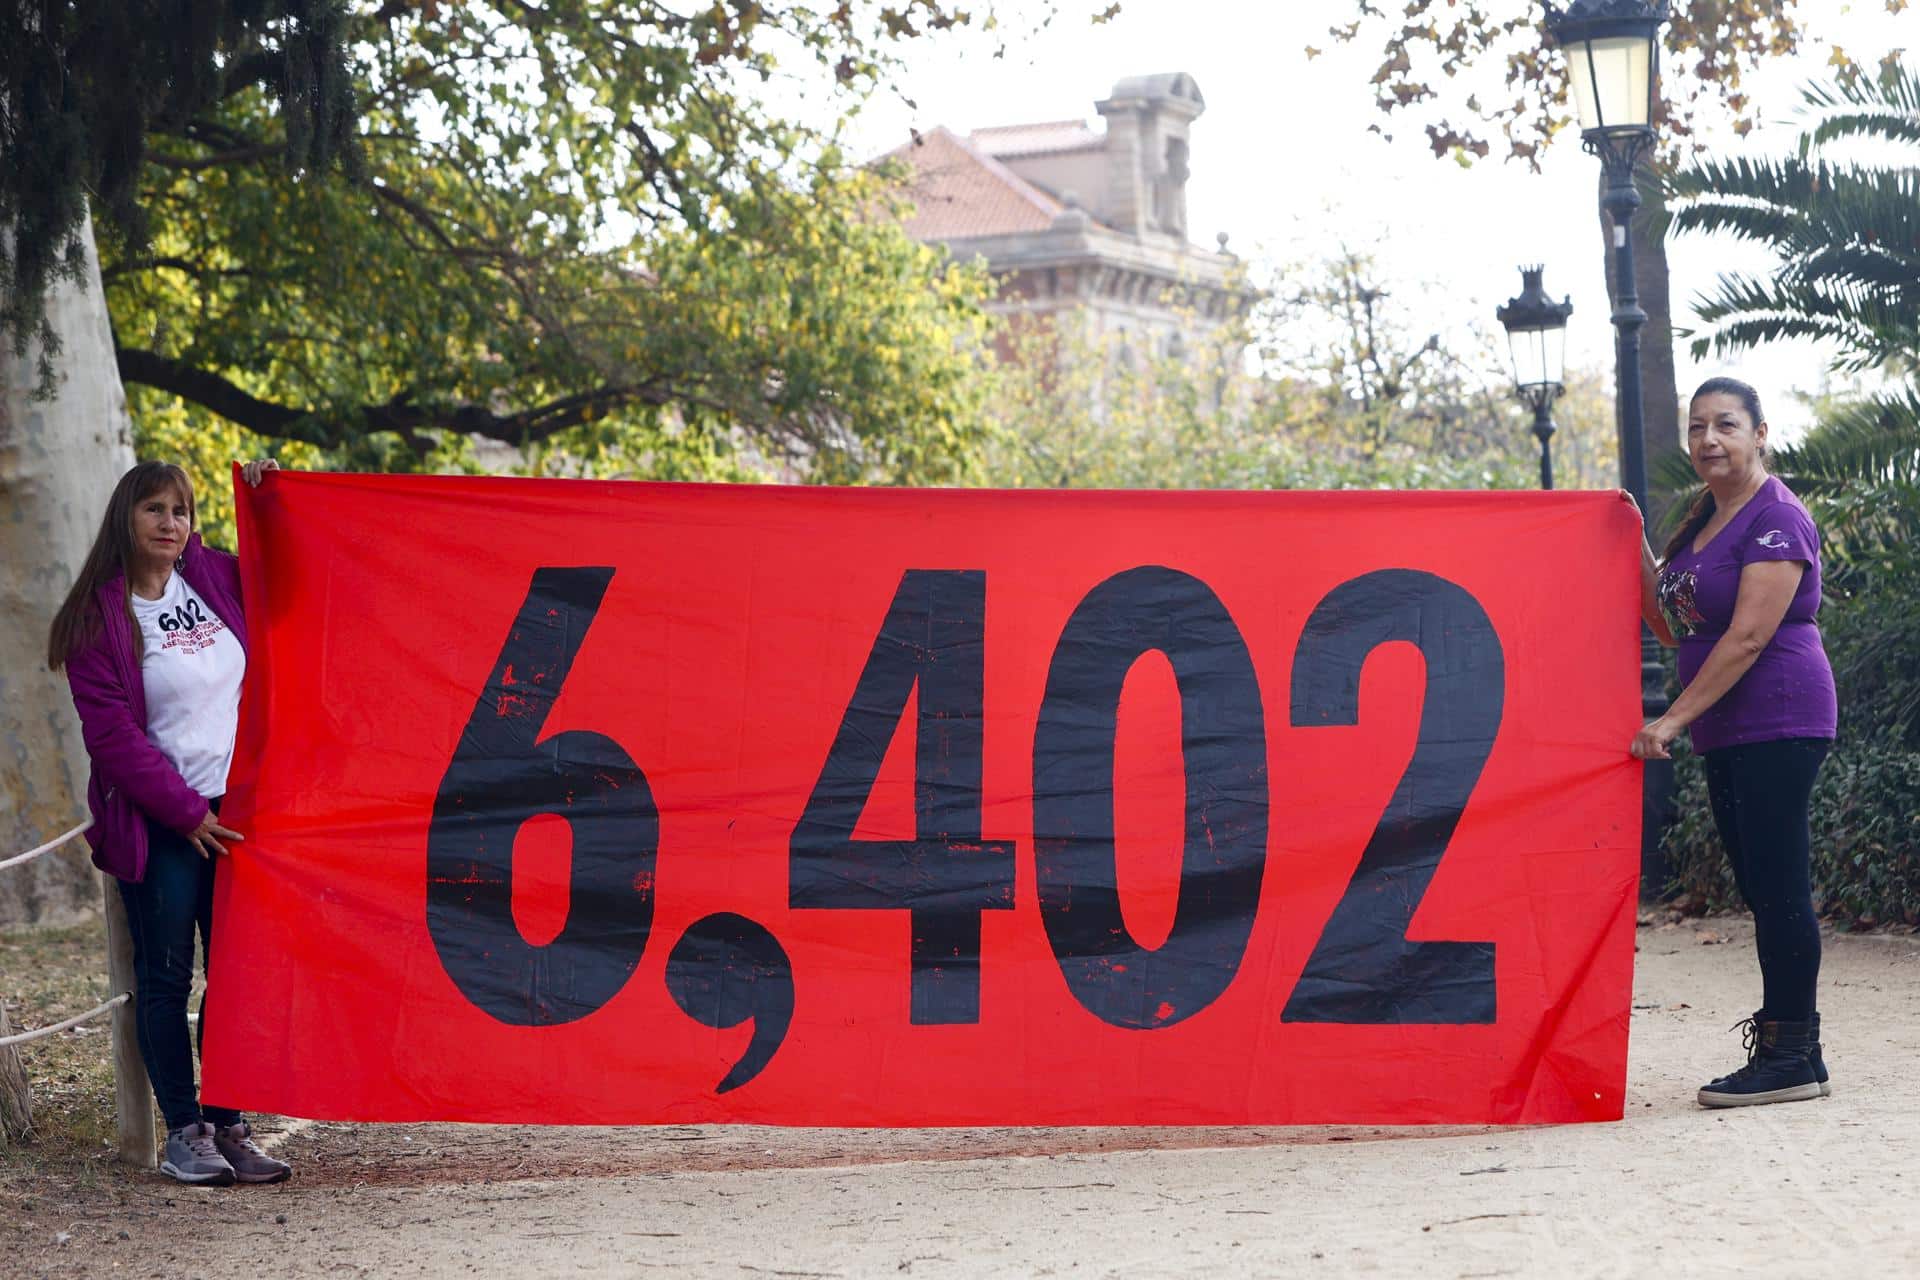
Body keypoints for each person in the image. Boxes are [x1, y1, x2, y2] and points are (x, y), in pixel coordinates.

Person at [46, 459, 291, 1184]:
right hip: (161, 822)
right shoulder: (100, 615)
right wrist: (185, 814)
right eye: (154, 509)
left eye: (180, 511)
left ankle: (227, 1124)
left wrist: (265, 496)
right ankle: (184, 1133)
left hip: (234, 816)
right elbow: (112, 738)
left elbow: (287, 567)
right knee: (165, 979)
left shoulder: (211, 581)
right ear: (127, 517)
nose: (169, 522)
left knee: (238, 976)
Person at [1626, 376, 1838, 1108]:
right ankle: (1793, 1052)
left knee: (1777, 886)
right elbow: (1677, 619)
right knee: (1759, 885)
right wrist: (1631, 545)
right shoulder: (1703, 519)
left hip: (1779, 712)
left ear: (1759, 433)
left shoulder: (1776, 518)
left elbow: (1748, 636)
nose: (1709, 440)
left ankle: (1792, 1053)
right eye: (1697, 428)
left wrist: (1672, 719)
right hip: (1727, 722)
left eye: (1725, 425)